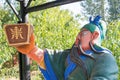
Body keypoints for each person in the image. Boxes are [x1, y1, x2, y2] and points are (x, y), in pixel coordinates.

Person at [15, 15, 118, 80]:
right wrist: (31, 49)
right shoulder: (69, 55)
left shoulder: (104, 58)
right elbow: (45, 58)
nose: (77, 37)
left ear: (94, 35)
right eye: (78, 34)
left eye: (82, 34)